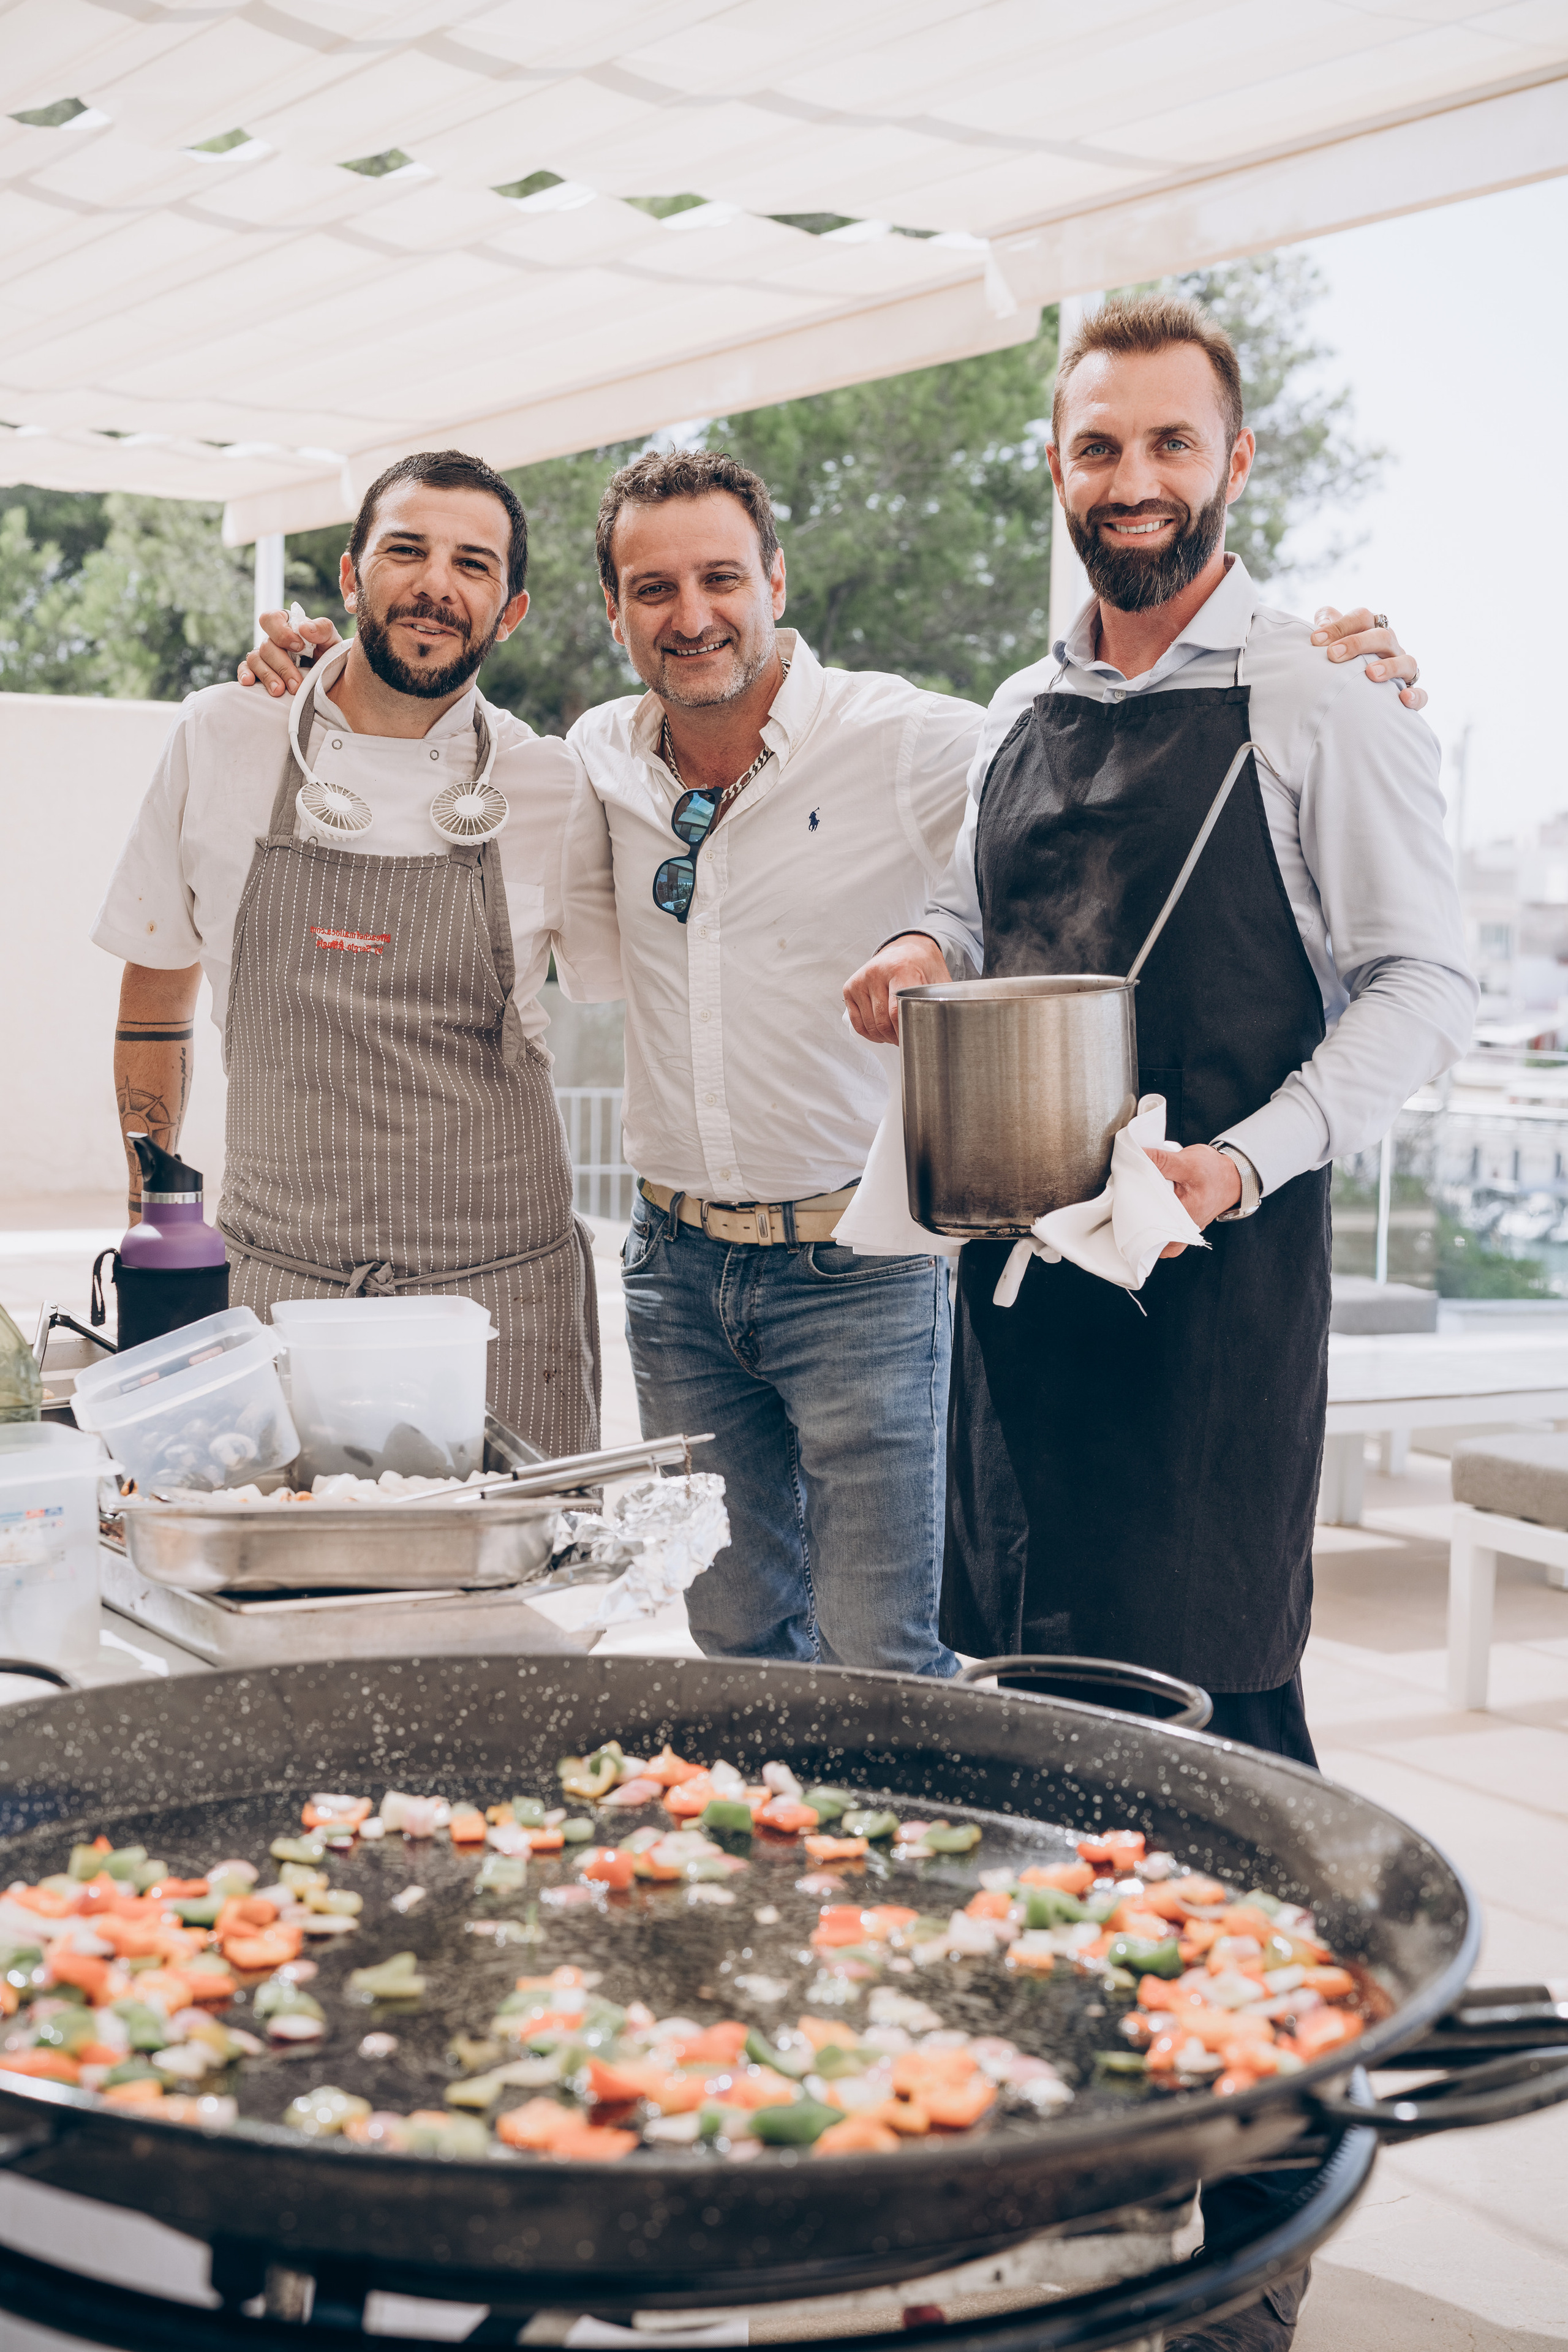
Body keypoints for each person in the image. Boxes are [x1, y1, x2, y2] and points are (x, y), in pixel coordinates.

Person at [244, 451, 1425, 1678]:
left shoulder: (908, 738)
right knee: (735, 1633)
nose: (691, 616)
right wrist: (301, 675)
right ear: (609, 613)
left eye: (718, 578)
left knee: (884, 1653)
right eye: (653, 590)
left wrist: (1325, 667)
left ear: (774, 580)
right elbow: (417, 761)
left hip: (860, 1276)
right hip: (672, 1273)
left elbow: (1109, 755)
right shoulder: (594, 757)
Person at [843, 295, 1474, 2350]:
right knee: (1039, 1725)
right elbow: (987, 910)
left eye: (1168, 449)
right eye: (1097, 450)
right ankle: (1088, 2157)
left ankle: (1257, 2229)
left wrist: (1250, 1158)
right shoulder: (1021, 710)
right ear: (1059, 466)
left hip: (1211, 1312)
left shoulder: (1319, 707)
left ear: (1234, 462)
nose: (1132, 485)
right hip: (1014, 1308)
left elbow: (1422, 988)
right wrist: (919, 954)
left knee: (1224, 1753)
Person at [94, 449, 617, 1457]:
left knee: (508, 1597)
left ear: (509, 611)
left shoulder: (551, 785)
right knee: (288, 1585)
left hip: (501, 1299)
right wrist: (151, 1233)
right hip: (278, 1289)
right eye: (406, 550)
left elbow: (650, 979)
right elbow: (154, 997)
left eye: (473, 564)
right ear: (349, 574)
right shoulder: (224, 735)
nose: (435, 584)